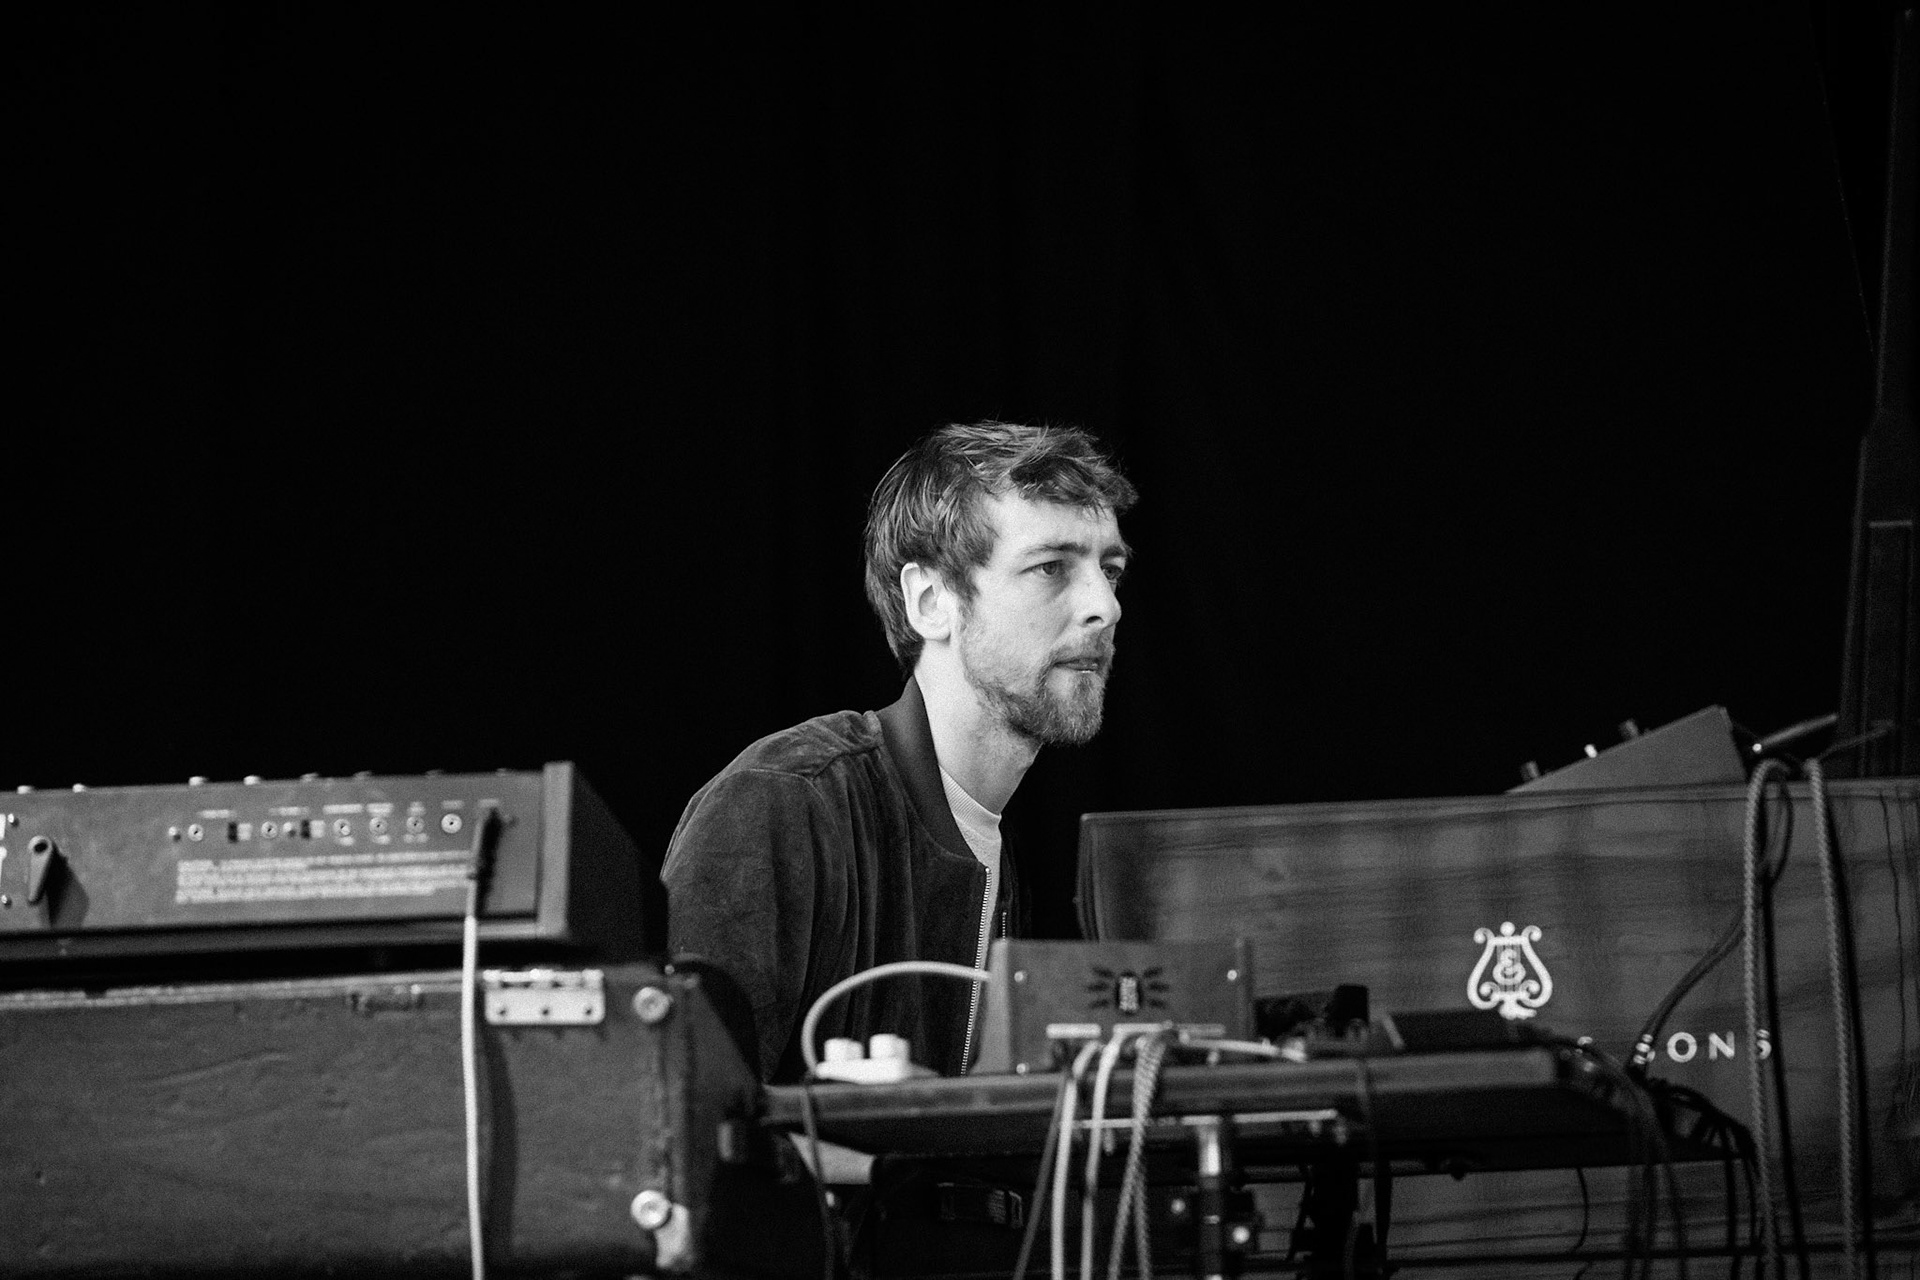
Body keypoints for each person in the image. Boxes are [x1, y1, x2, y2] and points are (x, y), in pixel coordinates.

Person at [662, 421, 1137, 1082]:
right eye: (1051, 568)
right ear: (930, 601)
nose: (1105, 606)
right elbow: (691, 1136)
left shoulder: (1003, 853)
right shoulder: (784, 800)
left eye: (1110, 570)